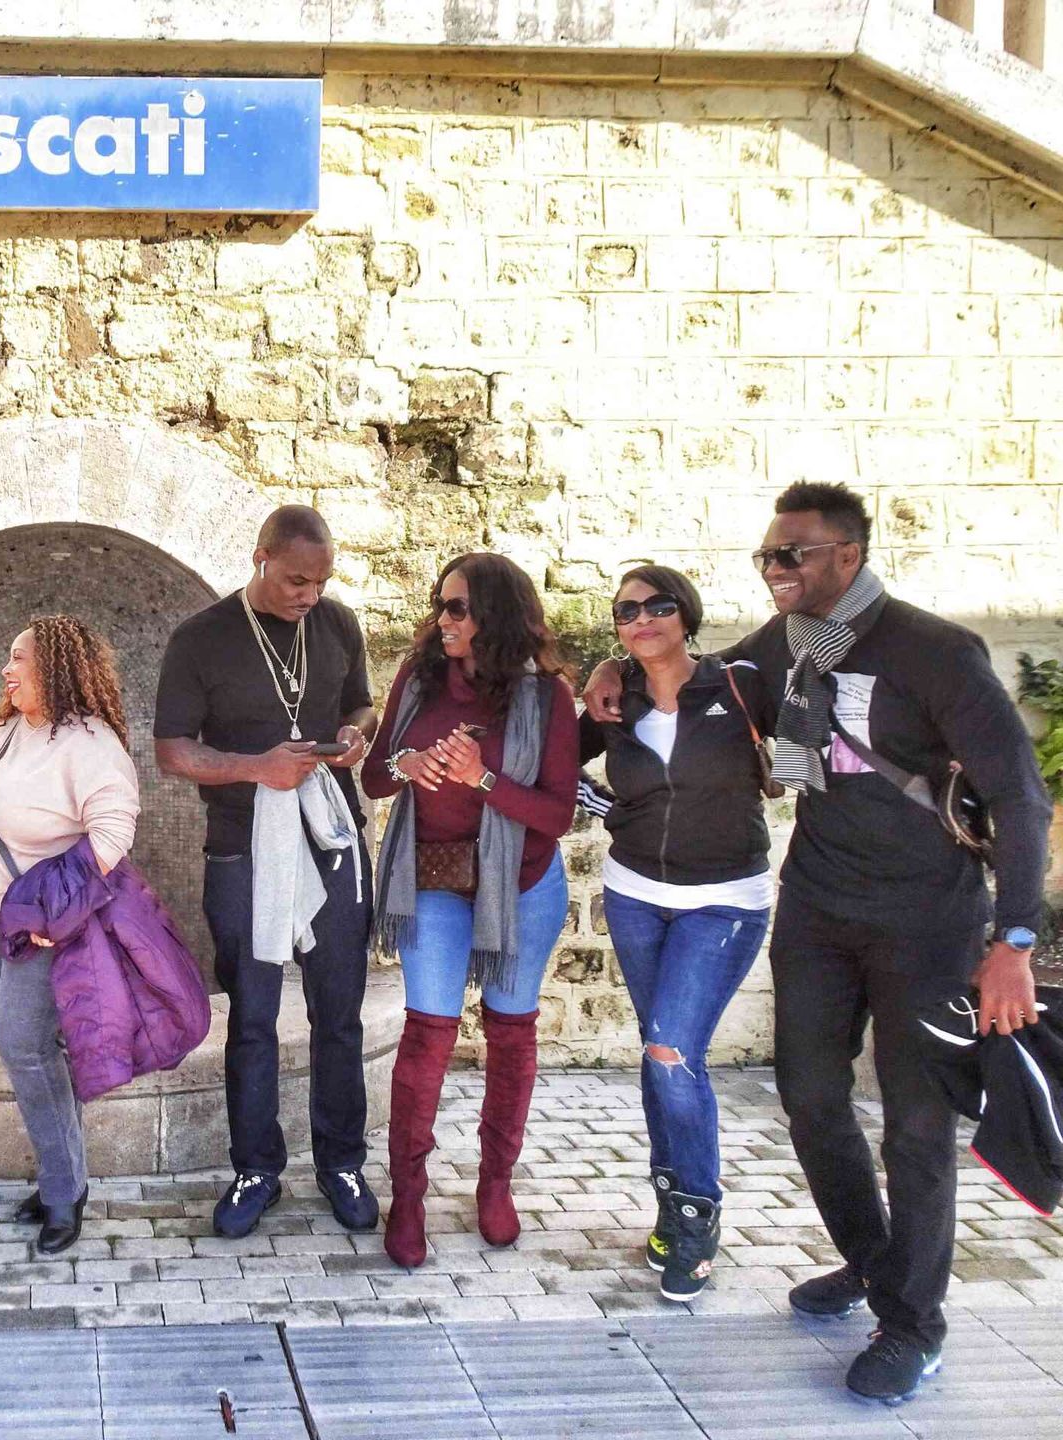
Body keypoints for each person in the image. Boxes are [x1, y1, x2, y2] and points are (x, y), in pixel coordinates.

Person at [583, 482, 1052, 1403]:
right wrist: (611, 661)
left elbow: (1021, 797)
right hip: (820, 907)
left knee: (916, 1128)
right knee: (807, 1097)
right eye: (766, 556)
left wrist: (1016, 939)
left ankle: (913, 1325)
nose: (773, 570)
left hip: (927, 917)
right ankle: (877, 1265)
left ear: (848, 555)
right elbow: (687, 664)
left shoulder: (935, 650)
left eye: (791, 555)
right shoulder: (781, 647)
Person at [154, 504, 381, 1239]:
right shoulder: (201, 639)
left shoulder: (338, 624)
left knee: (338, 1012)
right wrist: (259, 769)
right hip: (242, 847)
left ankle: (342, 1163)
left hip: (331, 840)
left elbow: (362, 708)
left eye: (320, 582)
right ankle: (256, 1169)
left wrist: (354, 736)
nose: (308, 595)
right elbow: (172, 750)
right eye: (295, 581)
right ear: (260, 559)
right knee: (252, 1018)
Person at [362, 554, 578, 1266]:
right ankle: (410, 1196)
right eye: (440, 605)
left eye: (458, 608)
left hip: (521, 883)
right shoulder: (419, 678)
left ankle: (494, 1184)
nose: (443, 620)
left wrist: (479, 778)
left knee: (511, 1033)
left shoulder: (546, 698)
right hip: (433, 875)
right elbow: (374, 775)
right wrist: (409, 766)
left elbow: (556, 813)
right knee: (428, 1034)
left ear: (496, 615)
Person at [575, 565, 774, 1302]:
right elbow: (553, 767)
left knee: (670, 1048)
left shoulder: (739, 684)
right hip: (634, 897)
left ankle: (696, 1215)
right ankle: (671, 1207)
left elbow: (803, 739)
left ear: (685, 613)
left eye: (658, 605)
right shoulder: (613, 699)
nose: (642, 618)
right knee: (662, 1050)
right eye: (627, 611)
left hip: (724, 900)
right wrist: (609, 808)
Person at [0, 615, 141, 1255]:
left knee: (23, 1048)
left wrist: (56, 912)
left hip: (40, 929)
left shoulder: (88, 743)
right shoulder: (8, 730)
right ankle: (68, 1177)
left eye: (19, 659)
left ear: (56, 668)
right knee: (37, 1051)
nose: (7, 670)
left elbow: (113, 834)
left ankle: (63, 1193)